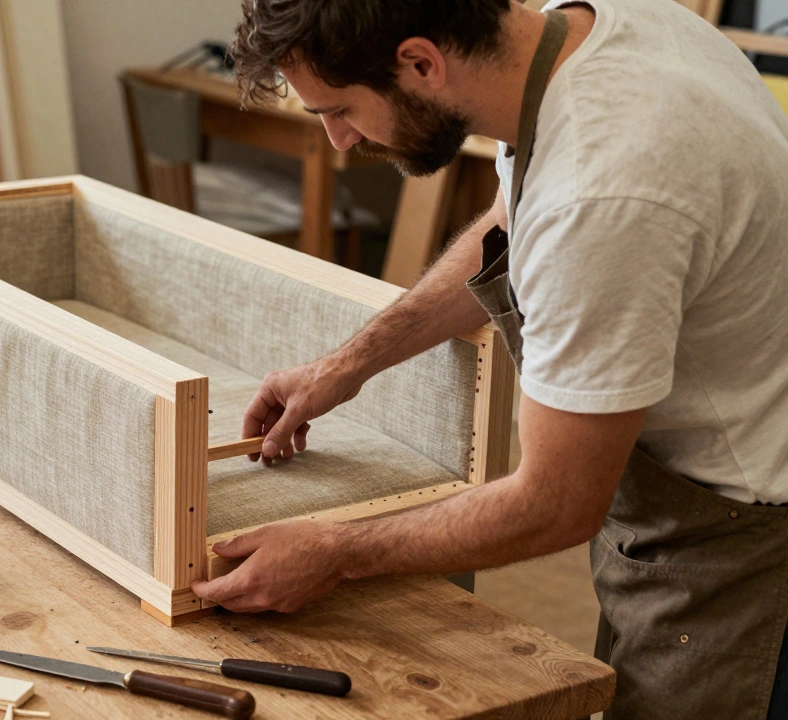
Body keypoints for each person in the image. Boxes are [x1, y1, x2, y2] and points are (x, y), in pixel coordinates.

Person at [188, 1, 788, 717]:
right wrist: (346, 365)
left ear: (420, 62)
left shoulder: (604, 194)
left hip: (741, 543)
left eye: (341, 108)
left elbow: (556, 503)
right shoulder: (574, 30)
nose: (339, 139)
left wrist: (334, 551)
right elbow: (515, 219)